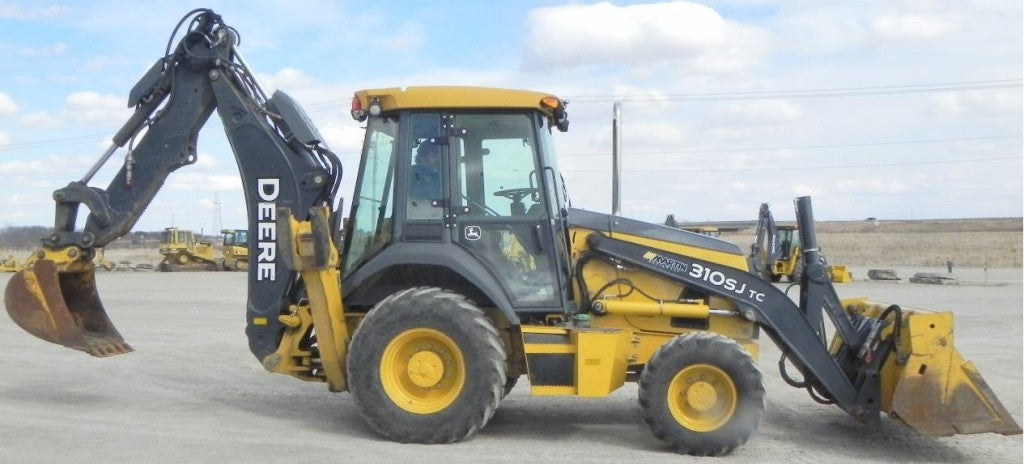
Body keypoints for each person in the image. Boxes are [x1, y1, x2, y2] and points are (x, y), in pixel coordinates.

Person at [408, 142, 442, 218]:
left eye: (438, 156)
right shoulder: (413, 172)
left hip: (435, 215)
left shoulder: (441, 174)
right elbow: (427, 193)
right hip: (418, 215)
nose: (438, 159)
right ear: (423, 157)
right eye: (433, 156)